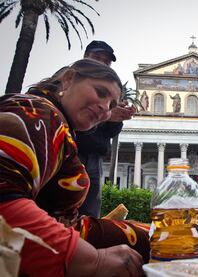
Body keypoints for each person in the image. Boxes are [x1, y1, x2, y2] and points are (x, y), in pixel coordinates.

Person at [0, 59, 149, 276]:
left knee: (160, 237)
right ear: (68, 80)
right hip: (37, 251)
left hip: (62, 232)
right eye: (100, 92)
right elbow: (5, 204)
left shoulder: (59, 123)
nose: (104, 108)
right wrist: (95, 261)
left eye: (111, 106)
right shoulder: (37, 112)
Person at [77, 40, 136, 217]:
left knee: (90, 210)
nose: (101, 64)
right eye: (97, 58)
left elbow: (110, 132)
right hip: (73, 150)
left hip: (94, 157)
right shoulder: (72, 79)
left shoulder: (110, 90)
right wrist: (109, 115)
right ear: (85, 57)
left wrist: (115, 119)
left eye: (107, 62)